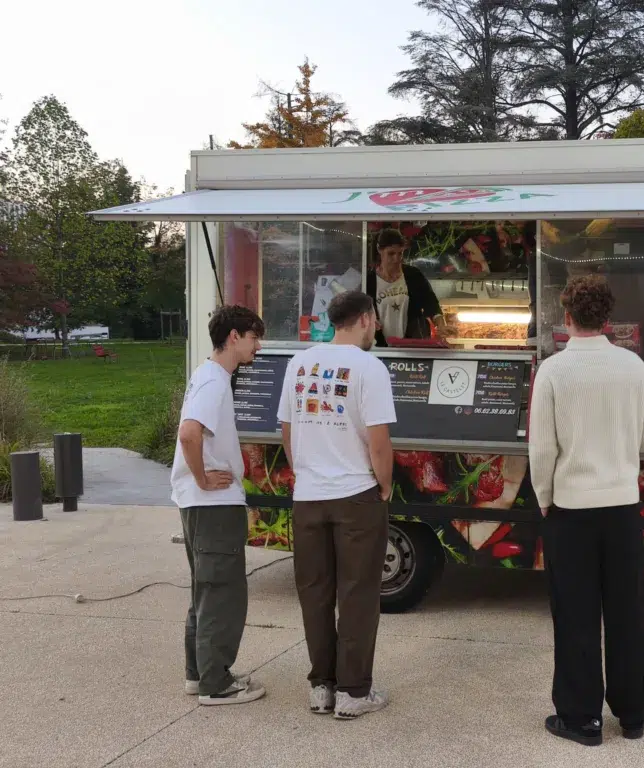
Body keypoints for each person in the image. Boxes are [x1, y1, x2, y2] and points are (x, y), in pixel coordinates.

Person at [528, 274, 644, 747]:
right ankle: (634, 713)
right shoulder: (633, 367)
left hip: (571, 508)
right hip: (622, 505)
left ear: (566, 317)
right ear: (608, 318)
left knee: (576, 614)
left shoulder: (553, 371)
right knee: (627, 611)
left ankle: (581, 718)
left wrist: (545, 498)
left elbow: (542, 449)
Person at [276, 290, 397, 720]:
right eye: (376, 321)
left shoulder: (299, 363)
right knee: (358, 593)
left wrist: (306, 472)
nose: (376, 328)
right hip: (356, 495)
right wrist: (384, 487)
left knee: (315, 593)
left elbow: (287, 433)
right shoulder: (370, 367)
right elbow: (379, 441)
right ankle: (353, 691)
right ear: (365, 318)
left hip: (308, 497)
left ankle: (321, 687)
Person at [172, 304, 267, 706]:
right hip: (213, 505)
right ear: (234, 337)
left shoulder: (206, 373)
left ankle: (200, 674)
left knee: (205, 591)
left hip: (197, 506)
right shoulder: (215, 382)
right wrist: (203, 478)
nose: (257, 347)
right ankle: (216, 683)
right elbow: (189, 434)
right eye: (253, 338)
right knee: (223, 594)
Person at [366, 227, 449, 345]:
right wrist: (369, 320)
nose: (397, 259)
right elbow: (360, 310)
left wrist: (441, 325)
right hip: (380, 345)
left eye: (400, 253)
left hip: (412, 343)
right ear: (379, 250)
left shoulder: (413, 275)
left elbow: (431, 303)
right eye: (391, 253)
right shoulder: (369, 280)